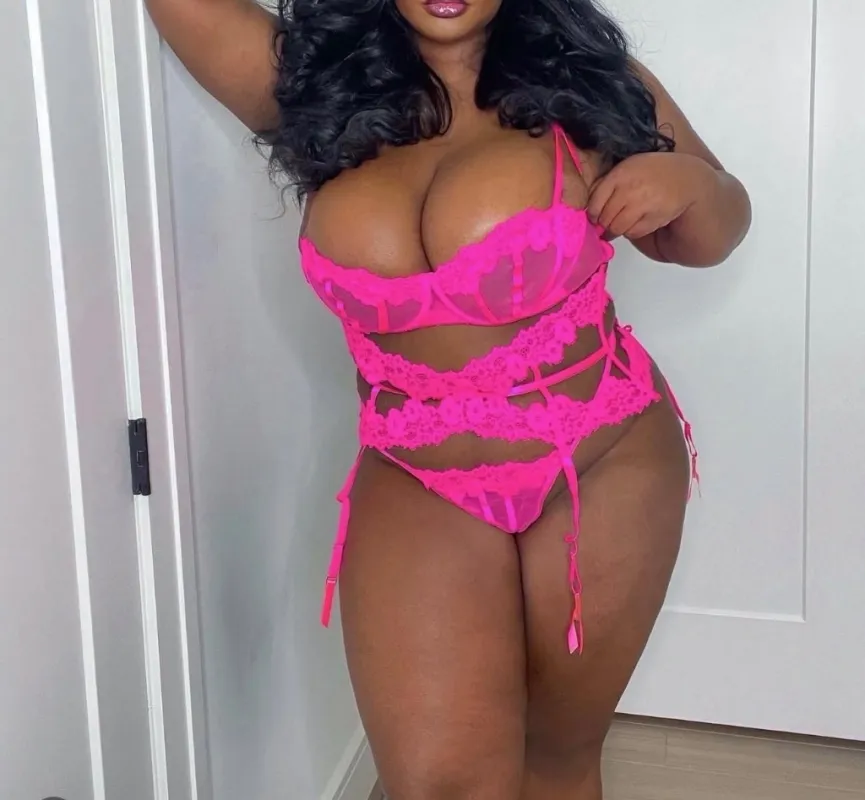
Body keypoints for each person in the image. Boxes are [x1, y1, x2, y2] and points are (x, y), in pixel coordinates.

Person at [146, 1, 751, 797]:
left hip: (600, 459)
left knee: (557, 757)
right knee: (440, 785)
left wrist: (691, 185)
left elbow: (712, 232)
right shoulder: (315, 83)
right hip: (414, 475)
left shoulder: (584, 78)